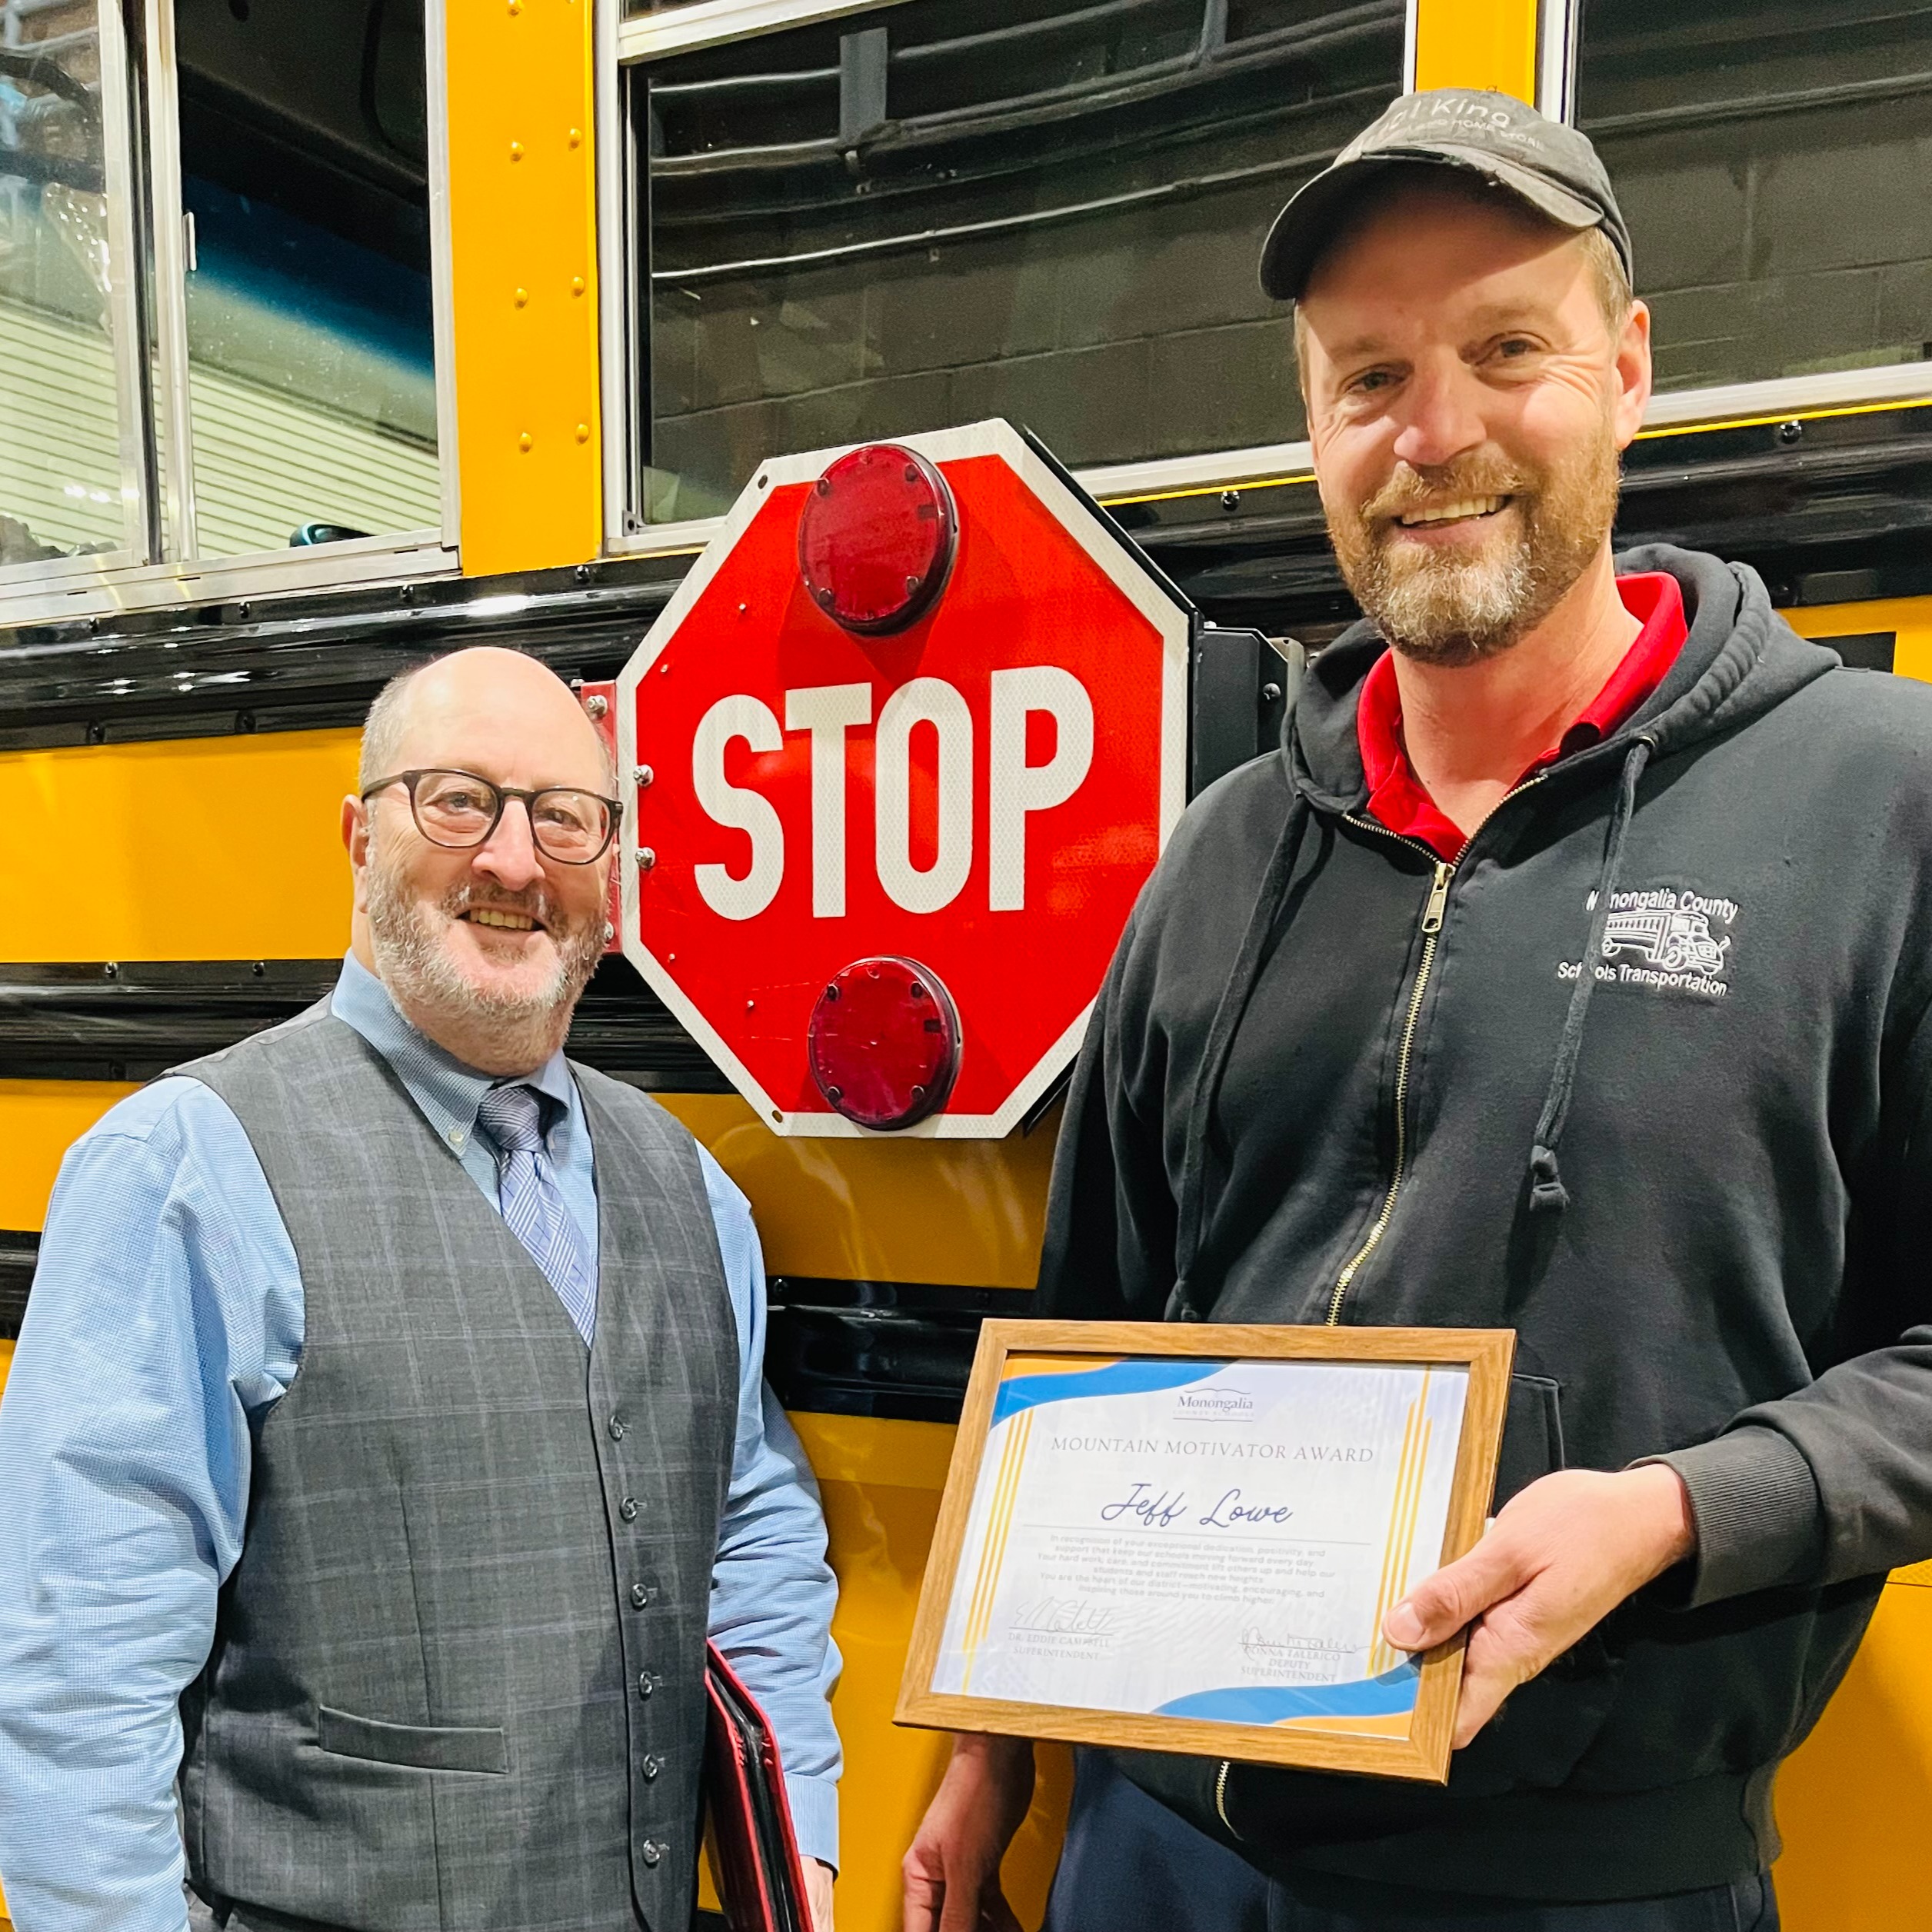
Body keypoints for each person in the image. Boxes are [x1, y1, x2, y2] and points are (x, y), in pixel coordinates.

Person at [904, 88, 1932, 1932]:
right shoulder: (1222, 850)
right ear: (1311, 423)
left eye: (1504, 349)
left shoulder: (1878, 803)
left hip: (1582, 1873)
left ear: (1626, 367)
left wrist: (1684, 1504)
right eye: (1366, 376)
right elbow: (1085, 1318)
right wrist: (992, 1739)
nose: (1432, 433)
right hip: (1157, 1854)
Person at [0, 647, 841, 1932]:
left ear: (610, 871)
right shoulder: (184, 1169)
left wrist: (802, 1861)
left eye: (567, 817)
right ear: (357, 834)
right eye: (458, 801)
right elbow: (80, 1667)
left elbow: (752, 1536)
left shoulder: (688, 1186)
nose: (515, 862)